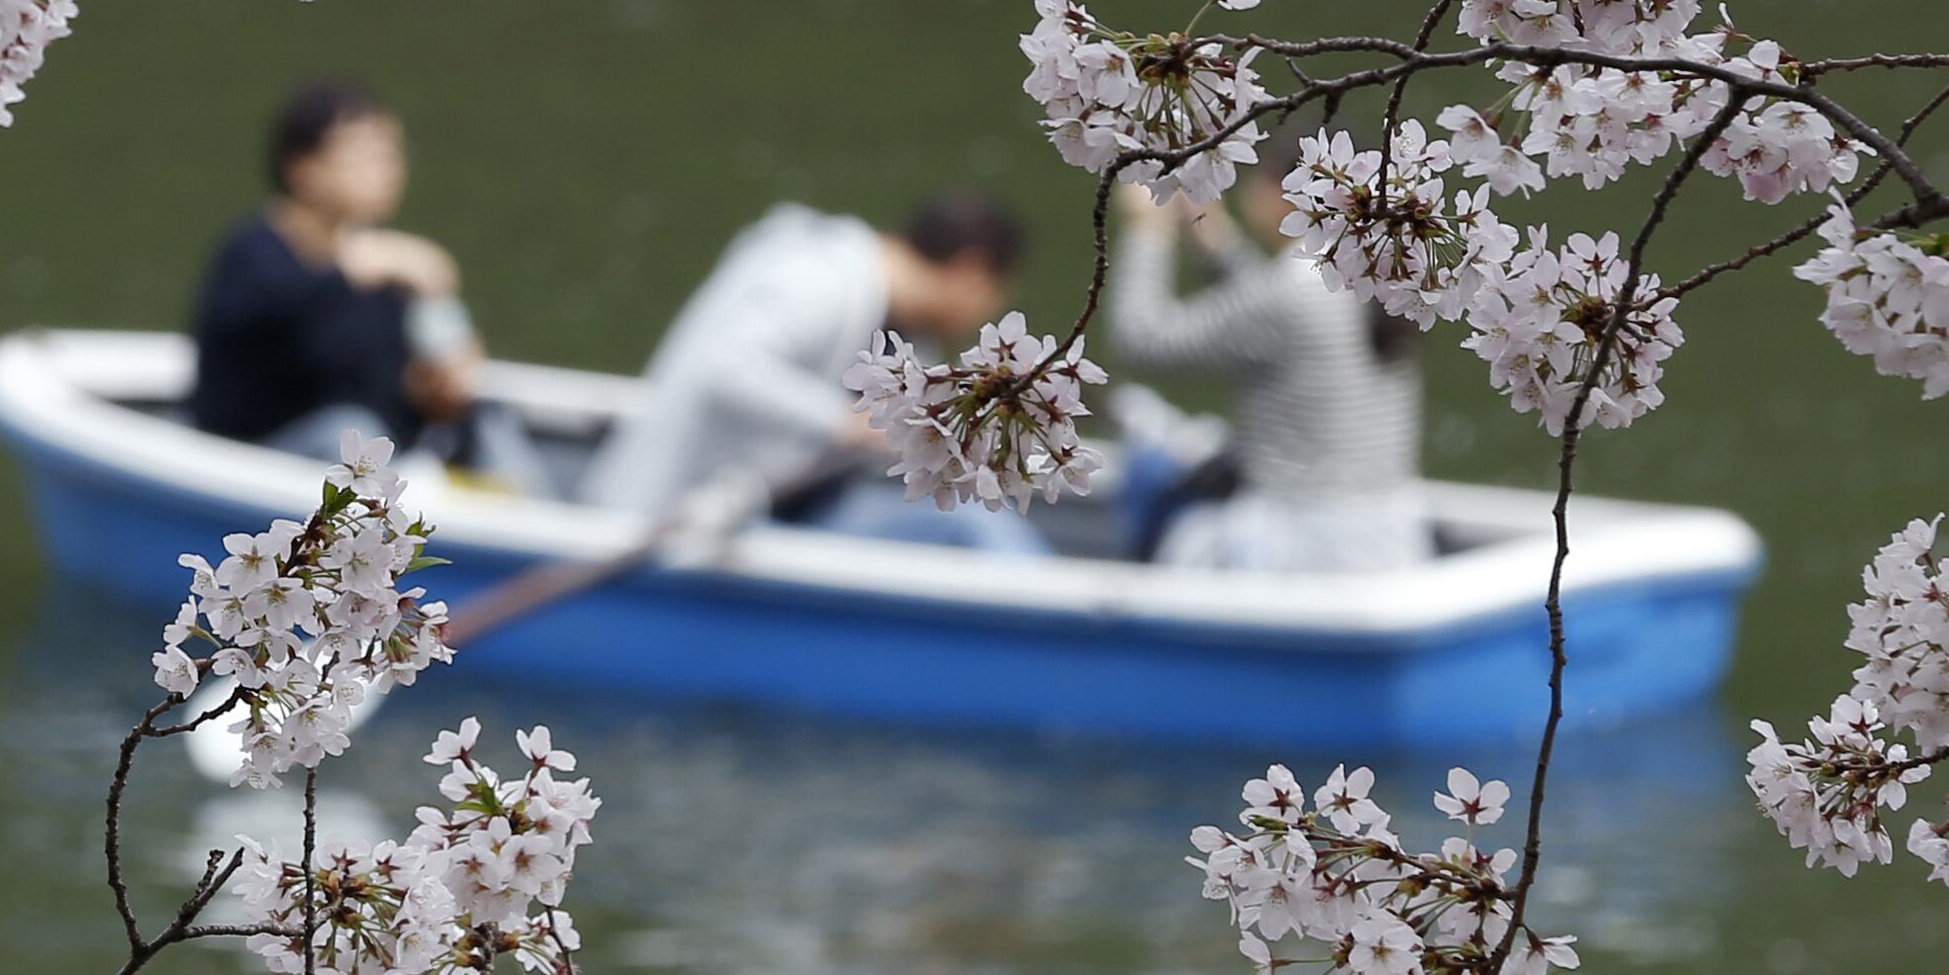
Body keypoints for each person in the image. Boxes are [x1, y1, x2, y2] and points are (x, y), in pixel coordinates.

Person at [579, 192, 1048, 553]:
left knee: (972, 516)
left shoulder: (908, 335)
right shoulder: (821, 281)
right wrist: (846, 424)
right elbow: (722, 367)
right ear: (972, 274)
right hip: (685, 513)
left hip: (793, 511)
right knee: (975, 526)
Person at [185, 82, 541, 489]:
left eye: (392, 153)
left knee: (487, 418)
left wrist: (436, 391)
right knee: (350, 433)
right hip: (256, 459)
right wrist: (351, 271)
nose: (386, 167)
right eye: (363, 153)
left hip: (369, 453)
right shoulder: (254, 254)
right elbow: (267, 354)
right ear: (302, 166)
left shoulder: (385, 273)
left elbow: (388, 384)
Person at [1106, 167, 1431, 572]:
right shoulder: (1374, 271)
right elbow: (1269, 311)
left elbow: (1143, 341)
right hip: (1390, 541)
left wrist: (1147, 231)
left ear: (1284, 196)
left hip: (1301, 549)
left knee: (1150, 459)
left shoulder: (1287, 295)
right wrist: (1210, 235)